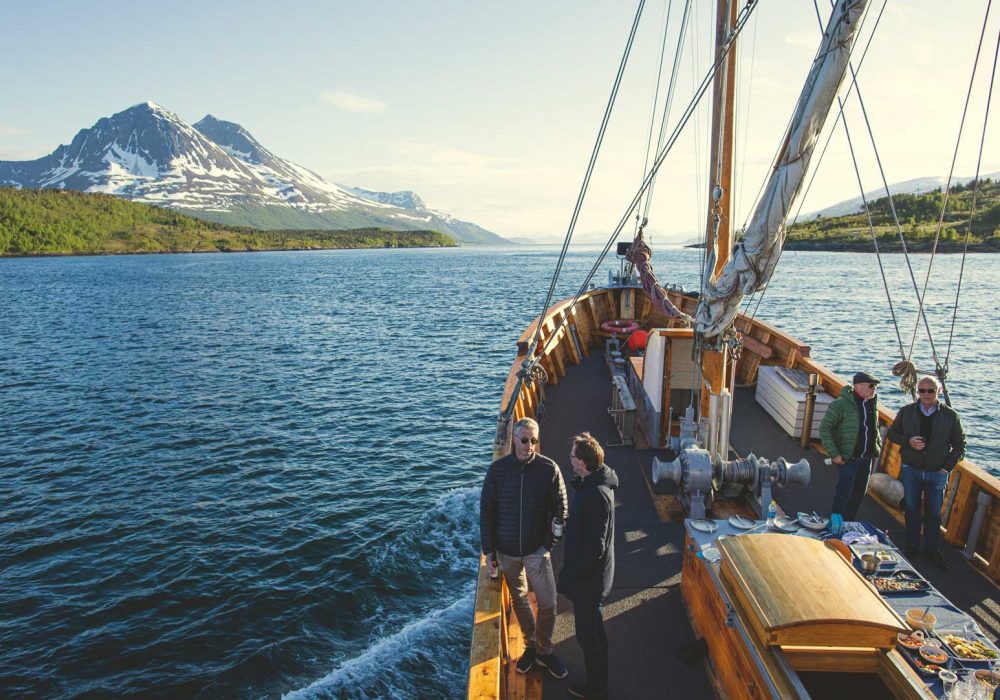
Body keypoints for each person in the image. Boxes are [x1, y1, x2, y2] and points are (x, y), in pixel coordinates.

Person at [479, 417, 569, 678]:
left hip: (536, 551)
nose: (530, 445)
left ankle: (545, 649)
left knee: (549, 603)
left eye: (534, 440)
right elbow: (487, 512)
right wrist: (489, 551)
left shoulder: (548, 469)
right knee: (519, 599)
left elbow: (561, 510)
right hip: (506, 552)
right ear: (514, 440)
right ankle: (532, 645)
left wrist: (547, 545)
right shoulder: (497, 471)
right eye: (525, 440)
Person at [558, 432, 618, 700]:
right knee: (595, 630)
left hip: (589, 582)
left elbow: (595, 547)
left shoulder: (595, 495)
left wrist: (572, 575)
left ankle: (596, 690)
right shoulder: (594, 485)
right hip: (594, 578)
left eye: (572, 457)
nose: (569, 461)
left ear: (582, 463)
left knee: (587, 636)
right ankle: (600, 682)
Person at [887, 376, 966, 569]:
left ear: (938, 392)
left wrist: (946, 468)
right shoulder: (907, 412)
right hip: (911, 470)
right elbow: (892, 433)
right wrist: (909, 442)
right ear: (918, 392)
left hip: (937, 473)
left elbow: (960, 445)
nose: (926, 394)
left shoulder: (950, 416)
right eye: (922, 391)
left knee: (933, 513)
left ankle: (932, 550)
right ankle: (912, 545)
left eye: (930, 391)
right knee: (912, 508)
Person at [820, 371, 882, 532]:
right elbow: (825, 428)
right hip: (849, 460)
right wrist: (835, 454)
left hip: (866, 460)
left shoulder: (871, 404)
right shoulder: (840, 405)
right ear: (859, 387)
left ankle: (847, 527)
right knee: (842, 497)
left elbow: (873, 429)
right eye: (871, 386)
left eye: (875, 386)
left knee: (858, 496)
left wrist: (877, 446)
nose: (874, 389)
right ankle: (834, 529)